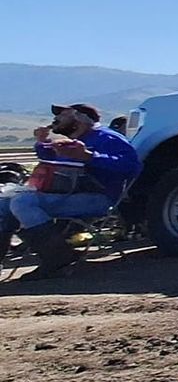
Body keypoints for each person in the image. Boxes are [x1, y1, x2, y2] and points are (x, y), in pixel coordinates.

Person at [0, 104, 142, 272]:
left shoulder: (107, 138)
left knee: (23, 202)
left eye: (62, 116)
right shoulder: (72, 140)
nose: (56, 120)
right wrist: (42, 142)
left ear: (80, 119)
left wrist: (90, 157)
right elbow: (49, 155)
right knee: (4, 203)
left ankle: (57, 257)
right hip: (67, 193)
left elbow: (132, 166)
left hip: (99, 197)